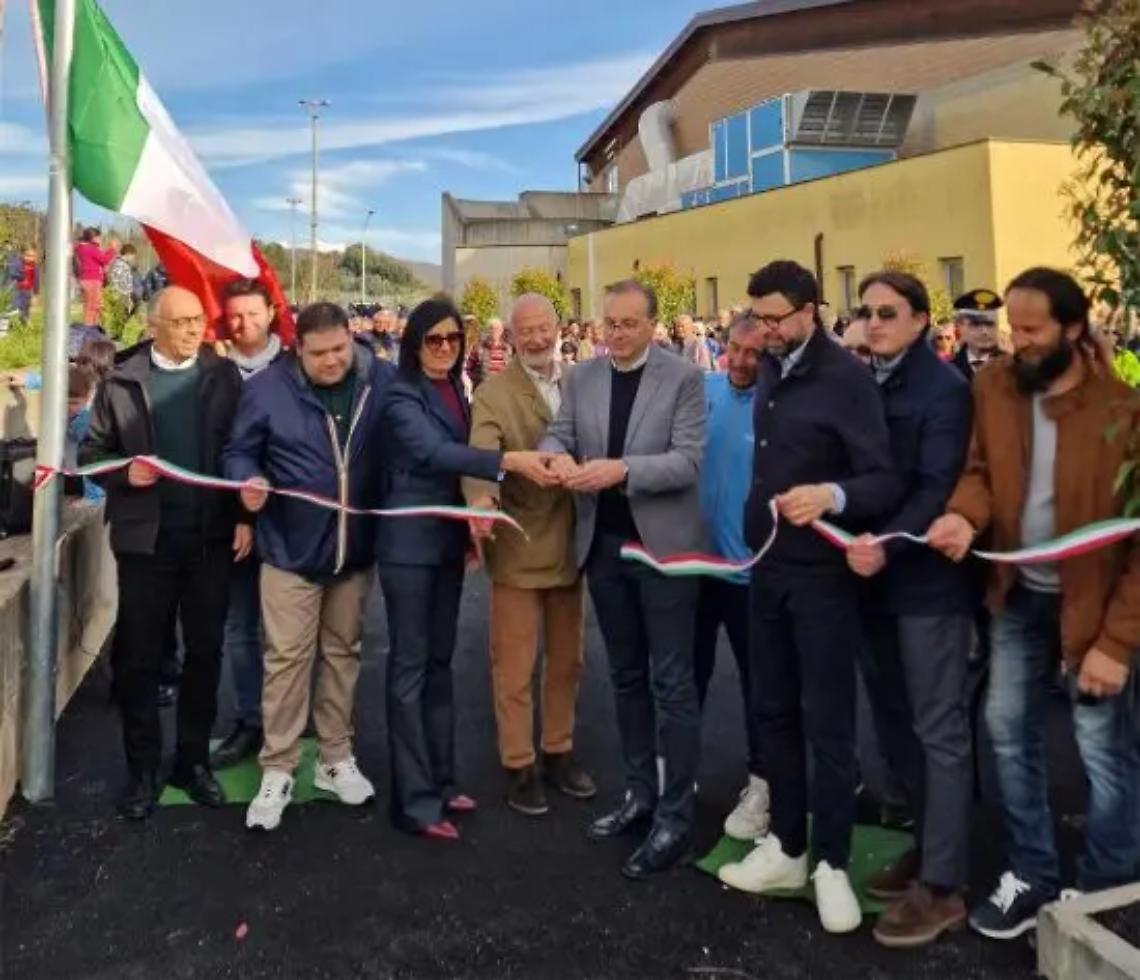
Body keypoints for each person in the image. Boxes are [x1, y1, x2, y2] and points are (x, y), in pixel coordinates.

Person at [928, 267, 1140, 940]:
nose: (1015, 342)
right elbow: (980, 473)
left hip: (1095, 608)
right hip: (1017, 596)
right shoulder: (993, 387)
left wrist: (1116, 644)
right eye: (1011, 328)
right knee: (1007, 732)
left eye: (1031, 330)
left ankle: (1107, 887)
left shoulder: (1122, 411)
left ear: (1073, 329)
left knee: (1102, 747)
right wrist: (964, 516)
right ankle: (1031, 872)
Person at [716, 261, 900, 935]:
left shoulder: (847, 379)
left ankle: (831, 862)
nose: (763, 331)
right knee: (771, 709)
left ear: (809, 310)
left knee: (828, 721)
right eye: (756, 318)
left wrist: (832, 495)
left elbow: (883, 478)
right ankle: (788, 846)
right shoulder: (770, 368)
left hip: (823, 576)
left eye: (774, 319)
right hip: (766, 567)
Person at [540, 279, 707, 880]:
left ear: (653, 325)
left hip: (662, 552)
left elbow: (688, 460)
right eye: (608, 322)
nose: (615, 333)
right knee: (627, 677)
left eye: (628, 323)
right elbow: (559, 432)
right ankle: (640, 793)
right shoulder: (582, 376)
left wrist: (621, 471)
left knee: (673, 684)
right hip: (605, 549)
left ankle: (676, 816)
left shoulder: (683, 377)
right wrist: (555, 454)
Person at [376, 297, 555, 840]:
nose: (445, 348)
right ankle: (414, 802)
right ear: (414, 343)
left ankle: (441, 779)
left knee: (439, 664)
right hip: (408, 549)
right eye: (433, 339)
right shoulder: (399, 394)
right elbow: (432, 454)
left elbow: (459, 464)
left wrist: (473, 518)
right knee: (410, 670)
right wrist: (507, 462)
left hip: (446, 545)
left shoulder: (455, 387)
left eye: (454, 339)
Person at [842, 272, 974, 948]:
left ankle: (945, 886)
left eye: (888, 312)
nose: (874, 323)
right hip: (874, 583)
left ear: (922, 320)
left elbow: (935, 488)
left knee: (938, 730)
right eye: (866, 312)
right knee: (895, 725)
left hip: (926, 587)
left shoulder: (943, 390)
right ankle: (927, 851)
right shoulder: (870, 381)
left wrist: (884, 544)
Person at [81, 286, 247, 820]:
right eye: (181, 322)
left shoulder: (221, 376)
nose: (194, 329)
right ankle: (143, 771)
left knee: (205, 654)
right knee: (140, 659)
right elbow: (91, 453)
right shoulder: (122, 382)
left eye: (198, 320)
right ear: (153, 326)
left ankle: (191, 763)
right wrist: (122, 472)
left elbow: (241, 450)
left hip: (209, 539)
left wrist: (244, 518)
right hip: (145, 544)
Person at [224, 302, 392, 831]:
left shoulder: (380, 380)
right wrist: (247, 480)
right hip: (289, 552)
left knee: (343, 653)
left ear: (351, 339)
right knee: (287, 661)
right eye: (319, 353)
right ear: (298, 349)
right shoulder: (266, 390)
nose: (332, 361)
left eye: (340, 348)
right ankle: (278, 767)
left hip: (353, 551)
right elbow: (238, 451)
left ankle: (335, 757)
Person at [464, 294, 595, 816]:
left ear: (559, 328)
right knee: (514, 666)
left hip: (573, 545)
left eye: (545, 328)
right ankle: (518, 763)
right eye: (527, 331)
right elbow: (481, 454)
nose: (538, 338)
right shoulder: (493, 393)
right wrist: (482, 501)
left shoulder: (582, 381)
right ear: (512, 338)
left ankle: (559, 751)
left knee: (568, 661)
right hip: (519, 545)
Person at [696, 312, 770, 841]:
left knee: (760, 686)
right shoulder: (704, 390)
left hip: (751, 572)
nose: (741, 362)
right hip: (697, 567)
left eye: (754, 353)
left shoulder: (778, 405)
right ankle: (676, 773)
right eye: (734, 349)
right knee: (685, 677)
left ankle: (763, 784)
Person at [210, 278, 289, 771]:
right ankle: (249, 720)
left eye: (253, 314)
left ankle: (291, 718)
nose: (244, 324)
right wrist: (241, 516)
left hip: (293, 523)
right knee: (239, 627)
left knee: (292, 634)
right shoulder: (214, 373)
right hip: (232, 524)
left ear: (271, 313)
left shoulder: (295, 367)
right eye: (235, 316)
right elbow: (219, 449)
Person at [951, 288, 1003, 382]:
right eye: (976, 324)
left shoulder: (1013, 368)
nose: (984, 331)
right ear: (960, 327)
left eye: (990, 324)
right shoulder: (949, 370)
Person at [74, 228, 117, 326]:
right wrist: (112, 249)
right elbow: (104, 259)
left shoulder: (81, 248)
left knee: (91, 306)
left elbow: (97, 260)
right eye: (99, 237)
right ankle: (89, 328)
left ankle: (93, 327)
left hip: (85, 280)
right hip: (92, 280)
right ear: (93, 238)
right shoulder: (91, 248)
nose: (100, 239)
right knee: (93, 307)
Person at [466, 317, 512, 389]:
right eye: (491, 328)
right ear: (488, 330)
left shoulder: (507, 349)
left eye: (497, 328)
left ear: (501, 330)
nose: (494, 331)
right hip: (485, 387)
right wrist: (477, 379)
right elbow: (468, 367)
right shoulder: (480, 348)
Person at [107, 244, 141, 315]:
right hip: (120, 297)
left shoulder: (122, 264)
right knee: (121, 316)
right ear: (128, 254)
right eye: (132, 256)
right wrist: (125, 298)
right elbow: (117, 281)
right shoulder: (120, 265)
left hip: (122, 296)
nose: (132, 258)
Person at [8, 247, 39, 322]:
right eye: (27, 255)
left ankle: (25, 320)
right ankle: (14, 317)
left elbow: (36, 280)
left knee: (26, 306)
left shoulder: (34, 267)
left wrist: (36, 293)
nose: (29, 258)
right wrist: (20, 274)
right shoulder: (19, 264)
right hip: (17, 289)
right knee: (16, 305)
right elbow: (13, 274)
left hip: (27, 291)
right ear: (22, 255)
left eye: (32, 256)